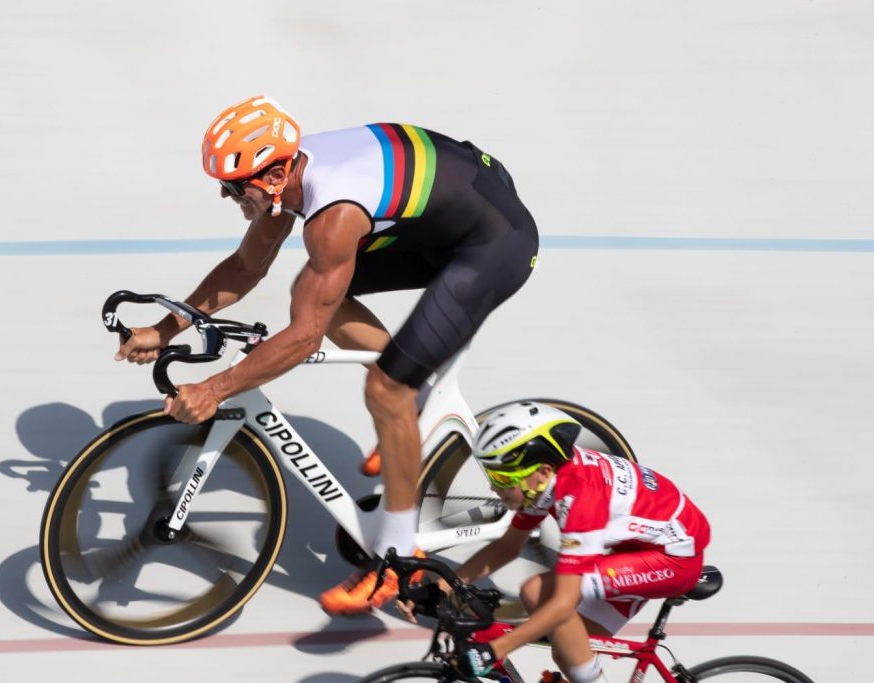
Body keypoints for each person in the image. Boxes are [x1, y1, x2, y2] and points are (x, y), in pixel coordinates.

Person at [114, 95, 540, 616]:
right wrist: (165, 326)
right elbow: (246, 268)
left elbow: (302, 339)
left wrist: (214, 389)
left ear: (272, 176)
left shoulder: (332, 214)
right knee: (315, 290)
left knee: (382, 387)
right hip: (455, 200)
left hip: (492, 243)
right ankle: (419, 410)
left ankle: (399, 557)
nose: (227, 198)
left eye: (231, 187)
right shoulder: (287, 183)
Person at [400, 401, 711, 683]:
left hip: (673, 559)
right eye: (492, 477)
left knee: (538, 593)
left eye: (504, 479)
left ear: (542, 471)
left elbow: (562, 605)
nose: (496, 490)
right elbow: (507, 547)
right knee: (566, 651)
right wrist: (441, 586)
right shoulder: (545, 481)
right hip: (636, 548)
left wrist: (494, 650)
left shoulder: (580, 500)